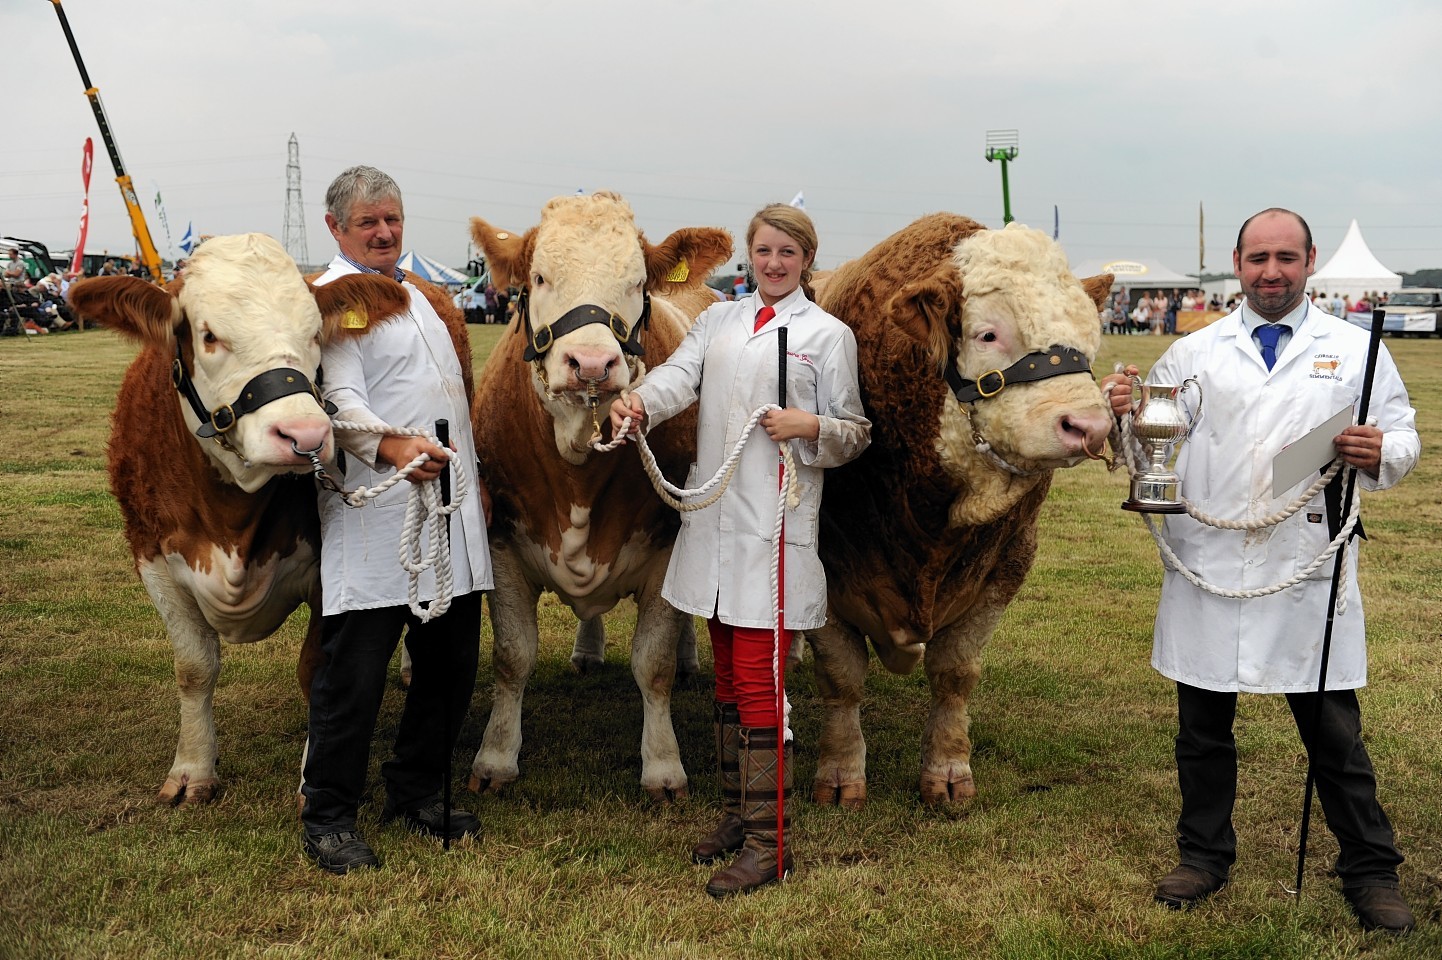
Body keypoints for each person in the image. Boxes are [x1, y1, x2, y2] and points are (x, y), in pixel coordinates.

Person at [1102, 208, 1419, 933]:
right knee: (1202, 730)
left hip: (1306, 564)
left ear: (1309, 261)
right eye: (1256, 259)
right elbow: (1155, 440)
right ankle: (1204, 855)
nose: (1270, 272)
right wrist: (1125, 413)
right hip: (1209, 563)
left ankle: (1371, 871)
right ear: (1238, 266)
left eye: (1285, 258)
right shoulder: (1193, 352)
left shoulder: (1356, 348)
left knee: (1335, 737)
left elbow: (1402, 435)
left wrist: (1383, 451)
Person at [609, 203, 870, 898]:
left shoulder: (827, 335)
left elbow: (854, 432)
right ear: (749, 255)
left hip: (777, 529)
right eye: (764, 250)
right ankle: (737, 815)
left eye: (788, 252)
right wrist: (639, 402)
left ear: (807, 260)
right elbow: (678, 379)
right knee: (726, 676)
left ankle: (769, 843)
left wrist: (810, 423)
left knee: (760, 683)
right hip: (715, 520)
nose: (774, 263)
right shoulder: (719, 319)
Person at [301, 165, 494, 875]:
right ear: (336, 230)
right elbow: (336, 398)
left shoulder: (417, 296)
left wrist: (475, 490)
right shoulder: (328, 302)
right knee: (353, 675)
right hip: (380, 516)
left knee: (449, 667)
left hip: (451, 513)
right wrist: (388, 443)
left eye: (392, 219)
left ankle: (414, 791)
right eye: (367, 223)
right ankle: (328, 815)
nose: (384, 232)